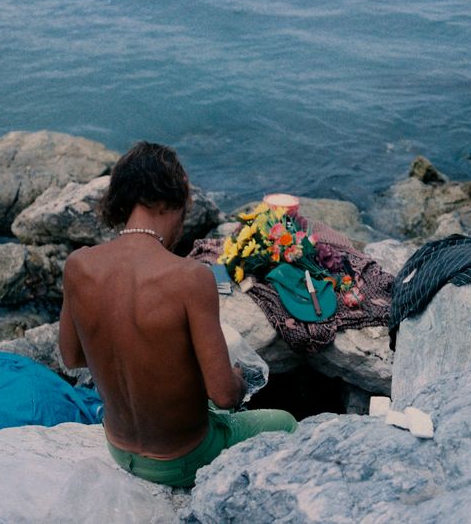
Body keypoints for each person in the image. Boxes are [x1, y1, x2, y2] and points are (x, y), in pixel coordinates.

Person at [58, 142, 297, 487]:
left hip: (119, 448)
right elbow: (225, 396)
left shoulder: (78, 265)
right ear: (166, 198)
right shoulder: (190, 278)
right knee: (285, 422)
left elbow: (72, 356)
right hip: (183, 460)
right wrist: (238, 376)